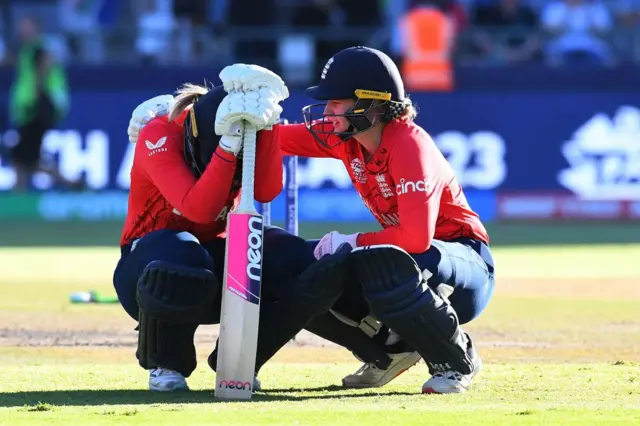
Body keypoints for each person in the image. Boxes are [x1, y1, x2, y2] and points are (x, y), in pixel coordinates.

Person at [127, 47, 496, 394]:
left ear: (371, 103)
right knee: (313, 272)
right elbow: (266, 136)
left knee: (387, 262)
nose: (328, 111)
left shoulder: (409, 145)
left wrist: (352, 241)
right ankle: (387, 351)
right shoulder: (346, 140)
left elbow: (416, 239)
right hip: (409, 260)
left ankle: (456, 362)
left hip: (463, 262)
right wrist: (177, 120)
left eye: (337, 102)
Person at [114, 65, 316, 392]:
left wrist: (267, 131)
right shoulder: (160, 133)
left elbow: (265, 191)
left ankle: (238, 360)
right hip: (146, 270)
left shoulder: (247, 129)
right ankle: (166, 362)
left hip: (210, 264)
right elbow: (200, 209)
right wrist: (226, 149)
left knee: (294, 257)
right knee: (183, 251)